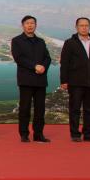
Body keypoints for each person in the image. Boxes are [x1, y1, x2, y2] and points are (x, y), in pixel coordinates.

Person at [59, 16, 90, 143]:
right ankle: (75, 134)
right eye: (81, 25)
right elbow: (64, 63)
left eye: (86, 25)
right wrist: (64, 81)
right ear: (76, 27)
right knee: (75, 109)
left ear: (89, 27)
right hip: (75, 82)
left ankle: (88, 134)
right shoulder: (69, 43)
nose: (84, 28)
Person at [11, 15, 52, 143]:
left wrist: (43, 67)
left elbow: (47, 58)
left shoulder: (41, 41)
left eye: (32, 23)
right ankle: (24, 134)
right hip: (26, 80)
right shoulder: (17, 41)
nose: (30, 25)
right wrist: (34, 66)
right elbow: (19, 58)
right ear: (22, 25)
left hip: (40, 80)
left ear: (35, 25)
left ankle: (38, 134)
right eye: (27, 23)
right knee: (25, 108)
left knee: (40, 109)